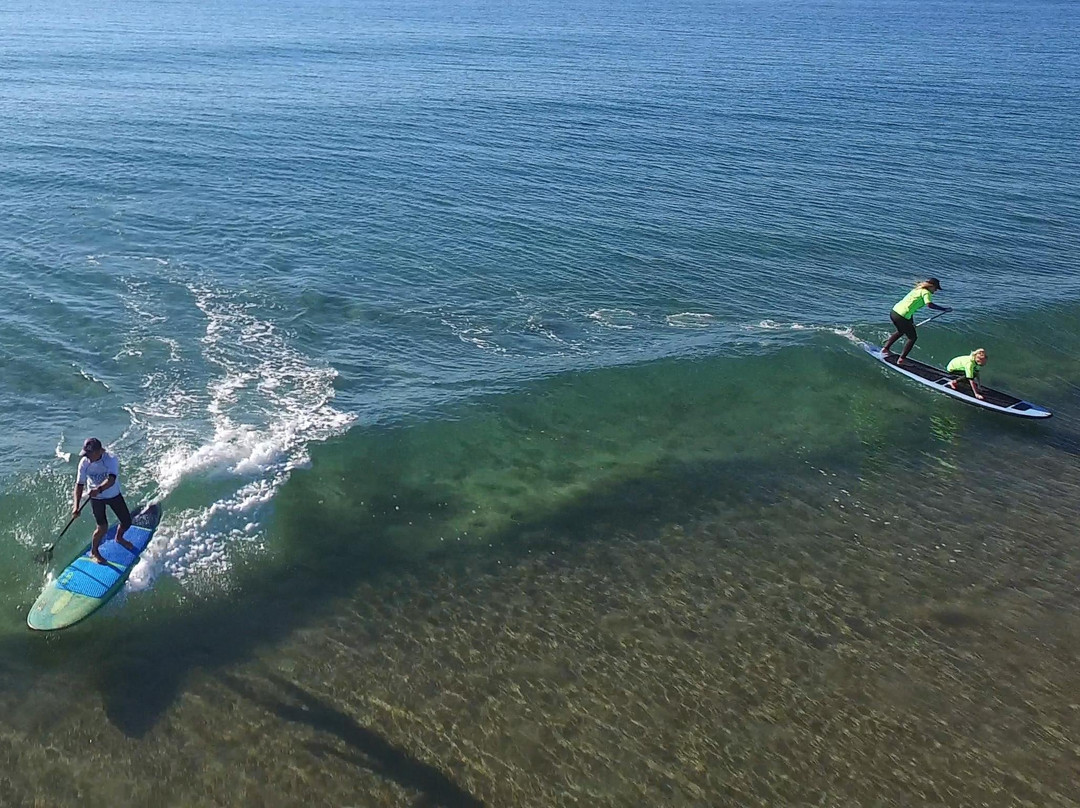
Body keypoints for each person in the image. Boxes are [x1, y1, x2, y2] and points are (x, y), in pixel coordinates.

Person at [73, 437, 136, 564]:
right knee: (102, 527)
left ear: (98, 452)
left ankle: (119, 537)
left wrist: (99, 489)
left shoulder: (111, 459)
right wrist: (76, 506)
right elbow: (79, 485)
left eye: (89, 454)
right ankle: (94, 552)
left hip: (113, 495)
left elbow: (111, 480)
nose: (86, 457)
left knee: (127, 522)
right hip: (96, 498)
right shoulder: (84, 462)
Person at [881, 278, 952, 364]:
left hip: (894, 312)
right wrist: (944, 309)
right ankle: (901, 360)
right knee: (912, 338)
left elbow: (910, 307)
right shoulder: (926, 292)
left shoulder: (917, 290)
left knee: (901, 331)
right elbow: (929, 304)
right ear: (931, 286)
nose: (936, 290)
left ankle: (885, 349)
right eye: (936, 288)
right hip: (902, 316)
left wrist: (911, 323)